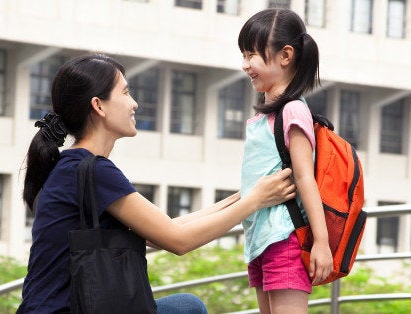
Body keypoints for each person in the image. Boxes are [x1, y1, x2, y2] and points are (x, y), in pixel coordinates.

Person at [17, 54, 297, 313]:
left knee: (185, 306)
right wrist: (255, 201)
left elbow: (166, 229)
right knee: (188, 308)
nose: (134, 103)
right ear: (98, 105)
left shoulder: (75, 166)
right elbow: (178, 240)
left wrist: (244, 196)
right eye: (125, 92)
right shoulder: (92, 170)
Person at [237, 8, 334, 314]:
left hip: (284, 239)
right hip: (261, 241)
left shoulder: (293, 111)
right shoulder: (266, 116)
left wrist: (321, 242)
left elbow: (305, 178)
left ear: (285, 55)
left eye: (252, 54)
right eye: (243, 55)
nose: (245, 65)